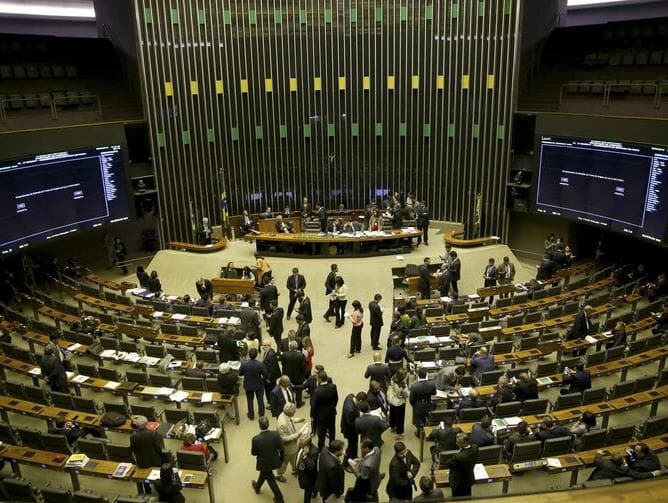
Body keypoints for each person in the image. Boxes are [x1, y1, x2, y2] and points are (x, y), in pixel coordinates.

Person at [251, 416, 285, 503]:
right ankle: (257, 487)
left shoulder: (255, 439)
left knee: (271, 480)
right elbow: (281, 448)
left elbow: (253, 453)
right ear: (268, 424)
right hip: (275, 461)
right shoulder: (276, 435)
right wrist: (281, 460)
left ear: (259, 426)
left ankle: (280, 499)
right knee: (264, 474)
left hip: (264, 463)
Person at [130, 415, 164, 494]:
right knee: (157, 475)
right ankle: (159, 489)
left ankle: (147, 490)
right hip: (155, 460)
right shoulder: (154, 434)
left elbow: (133, 450)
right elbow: (159, 449)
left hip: (142, 462)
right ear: (146, 424)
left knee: (144, 476)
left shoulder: (133, 437)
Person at [276, 402, 305, 482]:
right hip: (287, 448)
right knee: (284, 462)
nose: (294, 412)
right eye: (294, 411)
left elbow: (291, 420)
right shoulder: (282, 424)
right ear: (290, 412)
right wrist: (297, 435)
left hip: (293, 446)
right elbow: (284, 439)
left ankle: (294, 470)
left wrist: (298, 420)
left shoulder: (284, 414)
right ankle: (279, 475)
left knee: (294, 459)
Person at [444, 433, 478, 498]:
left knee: (457, 499)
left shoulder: (458, 457)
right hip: (469, 478)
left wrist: (460, 452)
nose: (456, 443)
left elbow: (448, 463)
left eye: (458, 442)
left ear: (464, 443)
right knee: (468, 495)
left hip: (458, 483)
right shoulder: (475, 448)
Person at [311, 371, 339, 449]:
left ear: (320, 379)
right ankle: (333, 447)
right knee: (332, 430)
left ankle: (321, 448)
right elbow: (336, 399)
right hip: (331, 412)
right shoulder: (333, 386)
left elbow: (314, 405)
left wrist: (312, 415)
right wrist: (332, 407)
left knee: (321, 433)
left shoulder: (317, 391)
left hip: (321, 415)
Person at [239, 348, 268, 420]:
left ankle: (251, 415)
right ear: (257, 355)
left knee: (249, 400)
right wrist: (263, 381)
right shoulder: (260, 364)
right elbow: (265, 374)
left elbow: (240, 373)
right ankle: (261, 415)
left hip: (248, 384)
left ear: (249, 355)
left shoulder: (244, 364)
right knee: (260, 400)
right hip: (259, 384)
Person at [341, 391, 366, 462]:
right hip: (350, 431)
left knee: (354, 445)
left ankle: (354, 457)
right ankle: (346, 462)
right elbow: (351, 424)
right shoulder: (350, 410)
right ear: (360, 401)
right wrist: (360, 417)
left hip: (349, 426)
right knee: (351, 446)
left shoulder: (350, 396)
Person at [282, 341, 307, 407]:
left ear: (289, 347)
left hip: (288, 376)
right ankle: (299, 403)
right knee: (299, 390)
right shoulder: (301, 355)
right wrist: (304, 375)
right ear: (296, 347)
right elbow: (303, 367)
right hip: (298, 376)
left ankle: (291, 403)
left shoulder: (285, 354)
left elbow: (283, 364)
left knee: (289, 389)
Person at [296, 435, 320, 503]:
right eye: (299, 442)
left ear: (306, 444)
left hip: (309, 478)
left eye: (301, 443)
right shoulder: (301, 446)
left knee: (307, 493)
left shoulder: (314, 452)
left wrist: (305, 456)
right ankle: (315, 491)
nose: (299, 444)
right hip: (302, 472)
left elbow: (311, 467)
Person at [388, 368, 409, 439]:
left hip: (393, 400)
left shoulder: (393, 379)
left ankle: (392, 427)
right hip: (400, 403)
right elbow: (406, 394)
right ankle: (399, 434)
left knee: (392, 415)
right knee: (400, 419)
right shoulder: (403, 386)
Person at [263, 339, 282, 405]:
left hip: (271, 377)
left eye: (264, 345)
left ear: (268, 346)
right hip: (270, 375)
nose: (263, 347)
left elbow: (272, 367)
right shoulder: (268, 351)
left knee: (269, 390)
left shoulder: (270, 354)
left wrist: (268, 378)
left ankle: (272, 403)